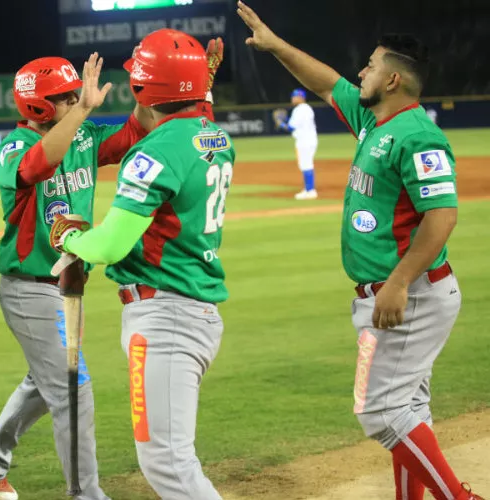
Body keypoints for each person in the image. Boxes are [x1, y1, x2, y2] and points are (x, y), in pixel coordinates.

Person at [237, 3, 484, 499]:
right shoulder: (375, 123)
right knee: (408, 407)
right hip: (394, 295)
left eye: (370, 65)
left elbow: (442, 216)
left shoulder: (417, 134)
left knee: (380, 411)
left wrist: (396, 283)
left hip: (407, 296)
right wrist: (274, 43)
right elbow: (328, 82)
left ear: (392, 81)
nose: (360, 71)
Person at [0, 43, 221, 499]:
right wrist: (81, 111)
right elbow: (39, 164)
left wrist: (184, 87)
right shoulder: (12, 147)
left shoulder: (83, 135)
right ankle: (86, 494)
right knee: (72, 388)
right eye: (64, 97)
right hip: (28, 286)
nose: (74, 100)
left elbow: (137, 130)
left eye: (72, 94)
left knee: (45, 381)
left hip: (64, 286)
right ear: (38, 104)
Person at [49, 29, 229, 500]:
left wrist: (71, 236)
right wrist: (199, 85)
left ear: (141, 89)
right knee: (171, 459)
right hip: (192, 309)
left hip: (165, 314)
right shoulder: (213, 135)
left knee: (167, 463)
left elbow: (109, 245)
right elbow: (194, 115)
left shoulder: (154, 152)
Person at [274, 88, 319, 199]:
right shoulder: (307, 108)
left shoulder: (299, 110)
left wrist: (281, 123)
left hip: (305, 140)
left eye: (294, 96)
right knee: (305, 164)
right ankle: (307, 189)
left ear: (300, 98)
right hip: (309, 139)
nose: (292, 99)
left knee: (306, 164)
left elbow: (291, 127)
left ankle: (311, 191)